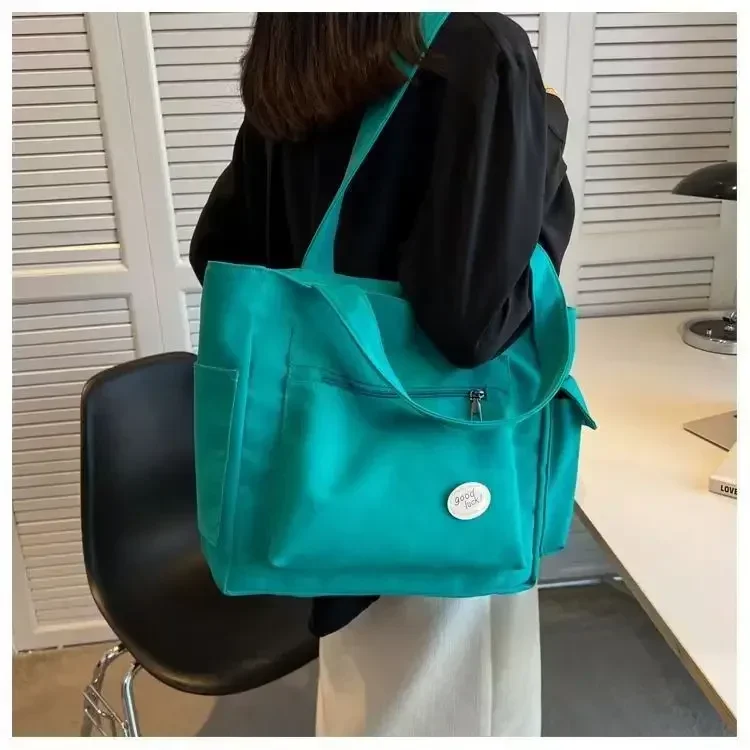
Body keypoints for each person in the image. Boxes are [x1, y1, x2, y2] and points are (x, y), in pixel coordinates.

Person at [190, 12, 574, 738]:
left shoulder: (299, 44)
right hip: (438, 470)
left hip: (312, 474)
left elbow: (218, 253)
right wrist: (544, 129)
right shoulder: (478, 50)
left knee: (366, 697)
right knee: (449, 710)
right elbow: (471, 324)